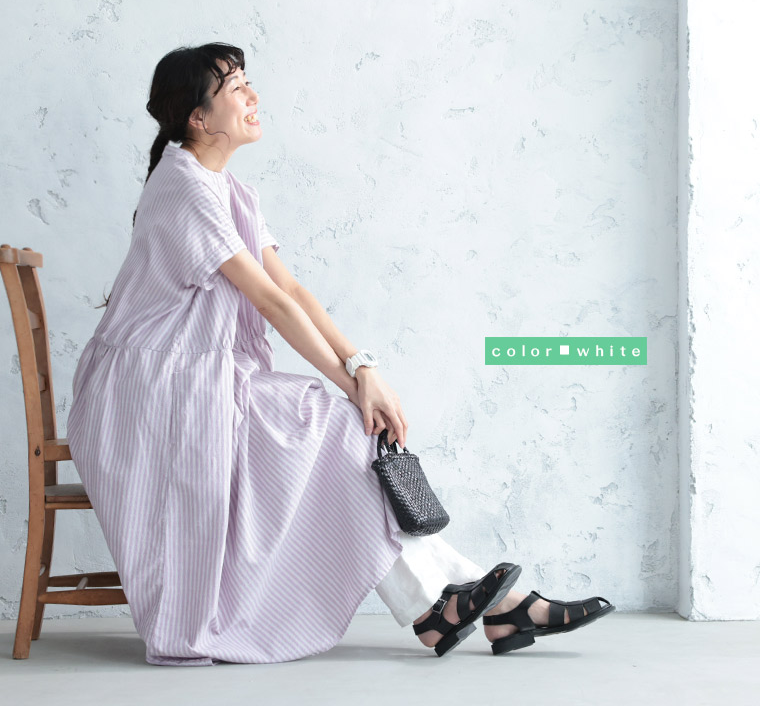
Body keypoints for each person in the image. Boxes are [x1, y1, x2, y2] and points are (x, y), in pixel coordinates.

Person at [67, 42, 614, 666]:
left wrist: (362, 367)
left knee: (339, 426)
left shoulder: (230, 191)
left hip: (196, 372)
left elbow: (293, 289)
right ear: (198, 117)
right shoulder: (184, 185)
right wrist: (353, 384)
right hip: (148, 386)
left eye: (248, 82)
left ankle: (455, 607)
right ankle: (470, 606)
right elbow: (271, 302)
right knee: (331, 421)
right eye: (236, 88)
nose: (253, 96)